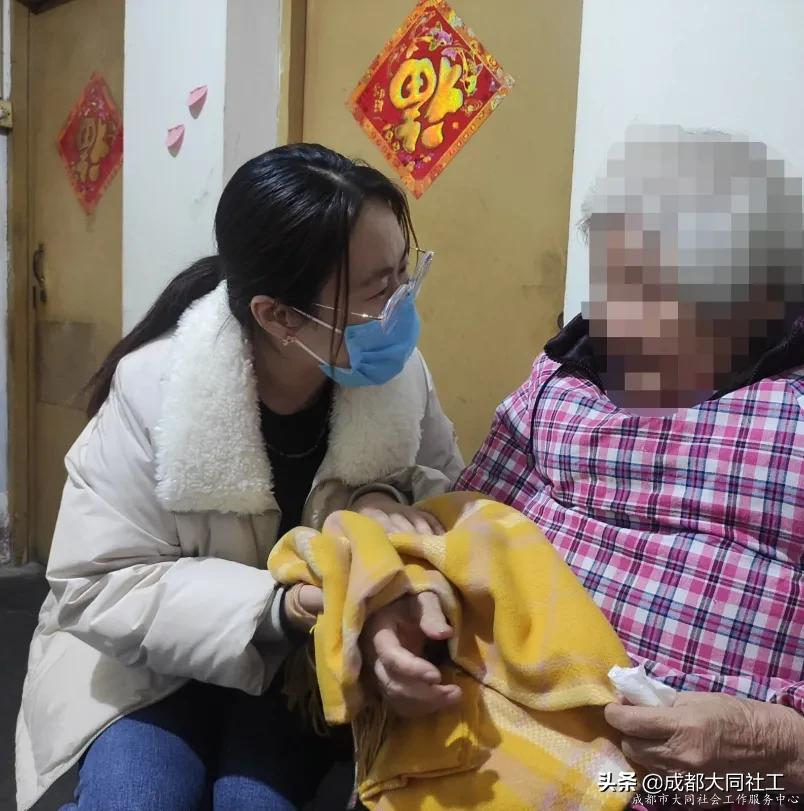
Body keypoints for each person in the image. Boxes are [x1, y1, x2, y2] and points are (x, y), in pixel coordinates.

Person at [15, 144, 464, 811]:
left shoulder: (398, 380)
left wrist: (387, 497)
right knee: (136, 799)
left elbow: (449, 503)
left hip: (304, 671)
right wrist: (276, 606)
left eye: (405, 273)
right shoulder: (154, 391)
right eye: (379, 290)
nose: (403, 306)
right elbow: (97, 582)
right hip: (147, 670)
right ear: (278, 316)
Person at [359, 127, 804, 795]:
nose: (613, 321)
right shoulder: (564, 378)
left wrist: (773, 740)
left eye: (652, 289)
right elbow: (458, 535)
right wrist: (405, 608)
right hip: (487, 754)